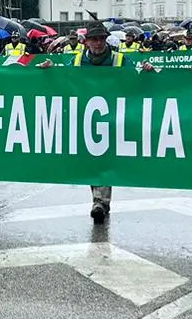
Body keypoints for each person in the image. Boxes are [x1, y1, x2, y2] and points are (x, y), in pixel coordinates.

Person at [42, 20, 153, 223]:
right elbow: (63, 78)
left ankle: (100, 201)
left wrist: (147, 72)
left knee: (104, 159)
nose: (98, 43)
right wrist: (50, 70)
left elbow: (136, 82)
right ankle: (100, 200)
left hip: (114, 120)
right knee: (93, 160)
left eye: (101, 39)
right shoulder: (77, 61)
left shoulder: (120, 60)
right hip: (87, 119)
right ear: (86, 42)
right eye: (94, 39)